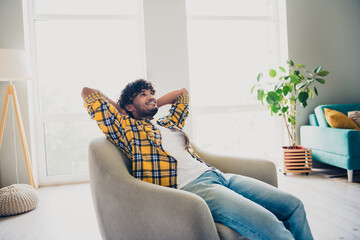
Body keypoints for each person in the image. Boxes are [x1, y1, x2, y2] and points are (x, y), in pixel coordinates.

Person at [81, 79, 314, 240]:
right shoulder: (127, 129)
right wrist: (122, 111)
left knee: (293, 206)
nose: (151, 97)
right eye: (144, 95)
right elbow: (88, 92)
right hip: (195, 188)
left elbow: (182, 94)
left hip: (221, 177)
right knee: (269, 225)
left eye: (151, 93)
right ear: (129, 106)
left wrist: (153, 103)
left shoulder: (166, 124)